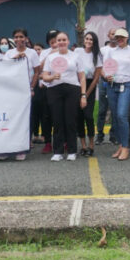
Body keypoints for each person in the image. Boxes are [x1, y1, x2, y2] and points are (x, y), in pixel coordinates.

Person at [41, 31, 86, 162]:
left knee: (71, 120)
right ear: (56, 42)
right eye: (59, 40)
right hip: (54, 90)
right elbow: (44, 76)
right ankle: (58, 151)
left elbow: (82, 77)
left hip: (72, 90)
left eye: (64, 40)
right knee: (57, 120)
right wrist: (51, 77)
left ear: (68, 41)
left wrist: (83, 95)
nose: (61, 42)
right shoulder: (51, 57)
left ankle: (72, 150)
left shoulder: (76, 56)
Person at [105, 28, 130, 161]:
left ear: (127, 37)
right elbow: (105, 68)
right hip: (112, 85)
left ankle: (126, 147)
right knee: (115, 117)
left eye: (122, 37)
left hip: (127, 85)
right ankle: (121, 145)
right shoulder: (111, 51)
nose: (120, 39)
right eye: (118, 37)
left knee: (122, 115)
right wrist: (106, 76)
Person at [4, 28, 41, 160]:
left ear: (26, 38)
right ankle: (7, 148)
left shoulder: (32, 53)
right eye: (16, 37)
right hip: (12, 90)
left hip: (26, 90)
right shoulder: (9, 53)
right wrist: (15, 58)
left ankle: (22, 148)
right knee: (11, 118)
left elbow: (37, 71)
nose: (19, 39)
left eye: (21, 37)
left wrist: (32, 87)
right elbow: (3, 68)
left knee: (25, 119)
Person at [76, 31, 102, 157]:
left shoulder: (97, 55)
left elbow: (96, 78)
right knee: (79, 117)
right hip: (77, 84)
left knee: (89, 116)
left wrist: (85, 94)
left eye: (91, 39)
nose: (88, 41)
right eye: (87, 38)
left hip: (90, 87)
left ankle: (91, 144)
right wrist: (80, 92)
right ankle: (83, 146)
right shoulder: (77, 52)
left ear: (94, 42)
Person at [35, 29, 59, 154]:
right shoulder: (44, 53)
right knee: (46, 117)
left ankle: (62, 141)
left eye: (56, 40)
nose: (54, 43)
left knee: (59, 116)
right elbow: (39, 71)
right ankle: (48, 142)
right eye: (51, 41)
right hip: (46, 88)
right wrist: (50, 55)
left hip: (60, 88)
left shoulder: (66, 51)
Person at [95, 28, 117, 145]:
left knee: (114, 110)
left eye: (116, 34)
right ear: (108, 35)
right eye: (112, 33)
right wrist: (105, 76)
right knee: (102, 109)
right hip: (104, 82)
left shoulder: (120, 50)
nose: (114, 36)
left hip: (117, 82)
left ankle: (113, 135)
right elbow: (99, 66)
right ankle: (100, 135)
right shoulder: (102, 50)